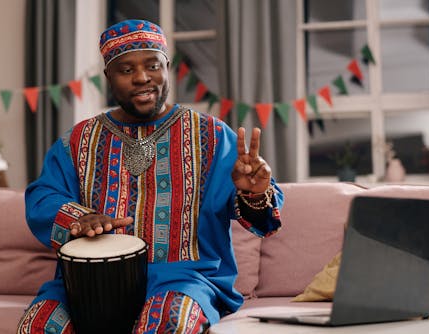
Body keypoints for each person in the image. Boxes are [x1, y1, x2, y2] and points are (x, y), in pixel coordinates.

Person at [17, 19, 284, 334]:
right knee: (39, 326)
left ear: (167, 67)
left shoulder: (211, 135)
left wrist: (253, 192)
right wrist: (81, 218)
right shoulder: (79, 140)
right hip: (88, 283)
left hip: (183, 279)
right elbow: (42, 197)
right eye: (126, 70)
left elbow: (263, 220)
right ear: (108, 77)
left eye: (153, 66)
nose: (142, 78)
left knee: (166, 323)